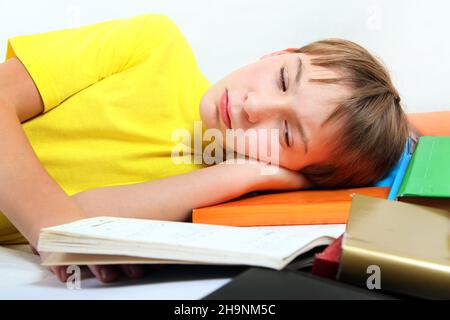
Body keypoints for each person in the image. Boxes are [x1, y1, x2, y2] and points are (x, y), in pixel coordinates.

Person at [0, 14, 409, 283]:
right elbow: (55, 225)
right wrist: (54, 224)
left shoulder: (205, 192)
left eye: (286, 133)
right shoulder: (154, 43)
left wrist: (248, 174)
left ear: (299, 174)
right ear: (279, 54)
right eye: (283, 80)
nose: (254, 107)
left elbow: (78, 221)